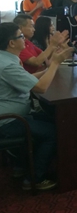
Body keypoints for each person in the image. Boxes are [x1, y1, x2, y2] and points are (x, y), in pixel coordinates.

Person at [0, 22, 73, 191]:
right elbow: (40, 87)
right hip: (7, 121)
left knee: (54, 119)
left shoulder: (5, 59)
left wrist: (51, 69)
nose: (25, 40)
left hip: (15, 114)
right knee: (53, 132)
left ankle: (20, 166)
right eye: (21, 36)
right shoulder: (7, 66)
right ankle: (34, 179)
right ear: (11, 43)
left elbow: (29, 79)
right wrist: (55, 63)